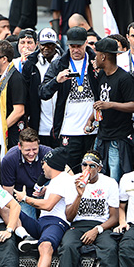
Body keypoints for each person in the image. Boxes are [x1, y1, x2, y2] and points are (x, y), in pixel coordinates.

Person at [57, 151, 120, 267]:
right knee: (68, 246)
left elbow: (115, 217)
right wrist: (79, 194)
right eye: (84, 165)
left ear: (99, 168)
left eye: (92, 166)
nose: (87, 169)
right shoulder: (74, 181)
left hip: (101, 226)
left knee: (110, 247)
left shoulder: (110, 183)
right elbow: (69, 216)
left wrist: (97, 229)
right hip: (78, 224)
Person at [13, 148, 78, 267]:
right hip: (41, 222)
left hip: (56, 223)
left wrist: (25, 198)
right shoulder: (56, 180)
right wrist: (45, 190)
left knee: (46, 245)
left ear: (50, 164)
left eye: (43, 163)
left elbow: (49, 205)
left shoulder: (63, 179)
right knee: (11, 208)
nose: (42, 167)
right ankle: (26, 237)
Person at [39, 27, 99, 171]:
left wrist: (98, 72)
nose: (75, 50)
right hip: (68, 129)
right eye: (72, 46)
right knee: (70, 171)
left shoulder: (95, 62)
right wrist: (56, 81)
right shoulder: (59, 64)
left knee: (91, 171)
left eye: (79, 46)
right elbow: (43, 93)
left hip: (93, 129)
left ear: (85, 44)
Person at [86, 37, 134, 181]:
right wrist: (90, 120)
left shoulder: (124, 78)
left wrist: (111, 104)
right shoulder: (102, 74)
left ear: (103, 56)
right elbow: (100, 102)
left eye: (97, 54)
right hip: (102, 135)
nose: (95, 58)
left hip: (118, 138)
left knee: (114, 176)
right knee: (100, 175)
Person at [20, 28, 60, 148]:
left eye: (50, 45)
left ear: (56, 45)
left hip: (61, 125)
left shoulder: (64, 62)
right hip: (39, 123)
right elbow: (25, 93)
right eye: (43, 45)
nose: (46, 48)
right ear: (38, 44)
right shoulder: (30, 64)